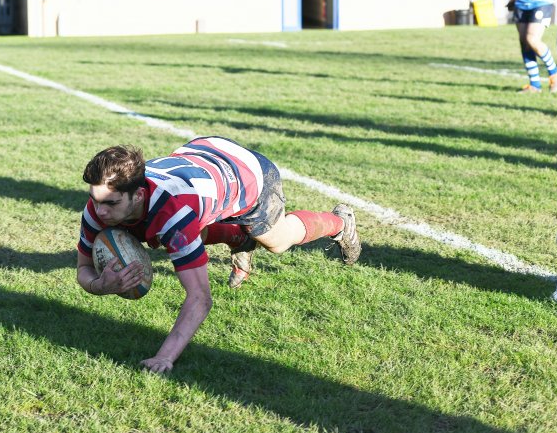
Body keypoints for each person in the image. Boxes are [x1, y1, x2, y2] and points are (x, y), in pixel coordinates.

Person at [76, 137, 361, 373]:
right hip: (201, 156)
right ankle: (237, 237)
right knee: (169, 237)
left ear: (137, 195)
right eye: (95, 200)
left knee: (277, 242)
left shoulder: (175, 215)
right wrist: (99, 286)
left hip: (246, 174)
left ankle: (340, 223)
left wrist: (164, 357)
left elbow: (200, 298)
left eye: (110, 203)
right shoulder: (99, 208)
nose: (100, 212)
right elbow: (83, 268)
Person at [511, 0, 557, 93]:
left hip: (542, 0)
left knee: (532, 39)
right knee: (524, 42)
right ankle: (534, 85)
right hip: (522, 1)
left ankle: (554, 72)